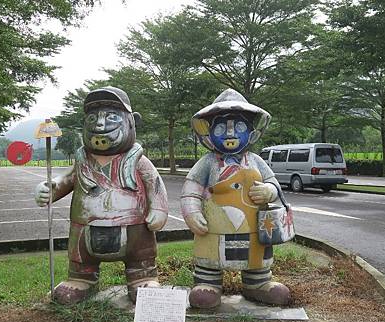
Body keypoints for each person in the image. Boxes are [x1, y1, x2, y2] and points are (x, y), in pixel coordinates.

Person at [34, 86, 168, 304]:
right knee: (80, 258)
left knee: (140, 257)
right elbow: (65, 180)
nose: (100, 124)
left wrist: (159, 209)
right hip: (85, 227)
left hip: (133, 227)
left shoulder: (139, 161)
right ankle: (82, 277)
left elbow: (155, 185)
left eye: (112, 117)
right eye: (93, 118)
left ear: (132, 121)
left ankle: (142, 277)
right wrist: (50, 189)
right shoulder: (82, 161)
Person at [181, 88, 291, 309]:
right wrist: (192, 212)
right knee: (210, 259)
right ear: (209, 133)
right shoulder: (207, 162)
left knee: (256, 258)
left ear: (251, 132)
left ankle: (257, 283)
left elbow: (275, 185)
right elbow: (191, 189)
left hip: (253, 226)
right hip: (213, 228)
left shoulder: (256, 161)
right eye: (221, 127)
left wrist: (269, 190)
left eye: (238, 127)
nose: (230, 134)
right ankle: (208, 283)